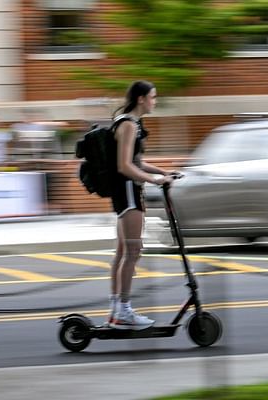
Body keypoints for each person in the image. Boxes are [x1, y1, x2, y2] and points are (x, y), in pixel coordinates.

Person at [107, 80, 177, 330]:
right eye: (153, 97)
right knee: (132, 253)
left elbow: (138, 161)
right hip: (128, 192)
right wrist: (156, 180)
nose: (154, 102)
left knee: (122, 252)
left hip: (127, 191)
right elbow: (124, 166)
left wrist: (163, 171)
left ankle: (116, 309)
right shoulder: (127, 125)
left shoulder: (131, 123)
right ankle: (123, 311)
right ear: (141, 99)